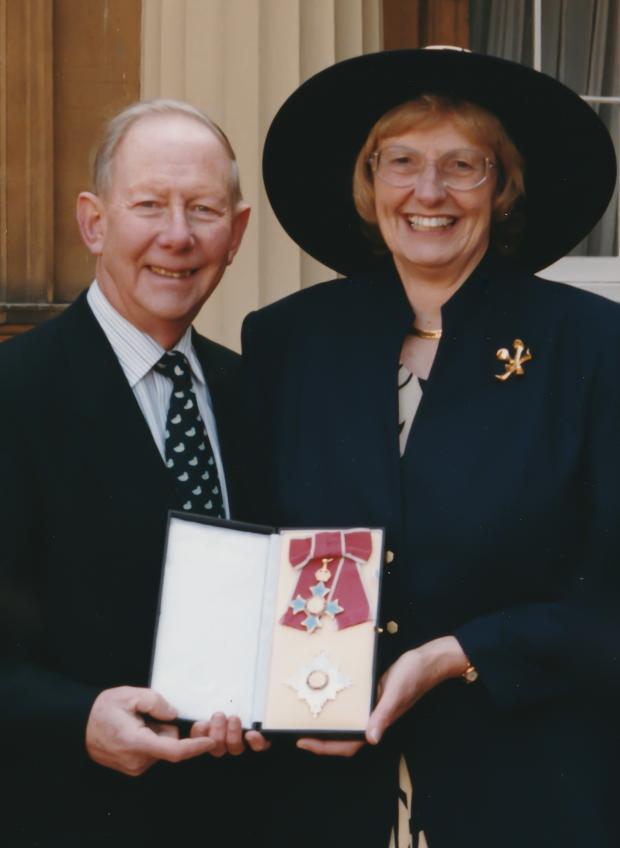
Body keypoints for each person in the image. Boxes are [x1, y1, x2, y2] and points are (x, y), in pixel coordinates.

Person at [242, 48, 620, 847]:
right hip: (323, 776)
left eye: (463, 165)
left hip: (523, 776)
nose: (429, 192)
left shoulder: (591, 346)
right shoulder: (290, 341)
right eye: (402, 162)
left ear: (504, 186)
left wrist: (459, 654)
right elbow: (259, 546)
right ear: (368, 180)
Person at [0, 99, 265, 847]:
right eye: (149, 205)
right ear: (94, 222)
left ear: (237, 232)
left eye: (204, 210)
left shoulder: (256, 395)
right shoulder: (13, 393)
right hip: (67, 815)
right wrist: (76, 718)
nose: (177, 237)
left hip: (243, 815)